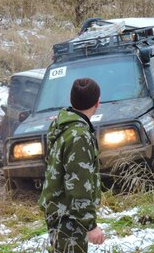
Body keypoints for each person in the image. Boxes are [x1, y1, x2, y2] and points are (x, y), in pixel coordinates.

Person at [39, 78, 105, 252]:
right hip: (69, 216)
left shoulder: (63, 124)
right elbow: (77, 184)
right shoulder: (79, 135)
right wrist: (90, 225)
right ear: (97, 102)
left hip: (60, 211)